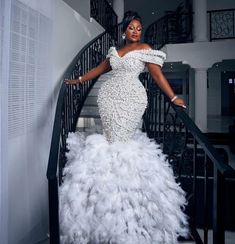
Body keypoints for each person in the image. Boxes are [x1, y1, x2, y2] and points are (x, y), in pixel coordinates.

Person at [60, 11, 188, 244]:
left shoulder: (145, 48)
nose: (136, 31)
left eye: (139, 28)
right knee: (111, 141)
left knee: (121, 143)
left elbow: (157, 76)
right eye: (132, 28)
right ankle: (107, 200)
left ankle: (127, 204)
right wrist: (78, 80)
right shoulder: (115, 52)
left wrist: (173, 97)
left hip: (132, 98)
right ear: (124, 31)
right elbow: (99, 70)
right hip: (109, 98)